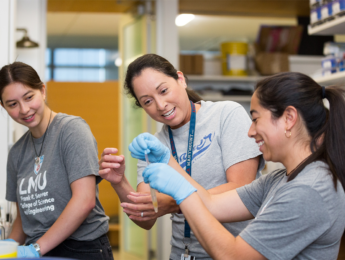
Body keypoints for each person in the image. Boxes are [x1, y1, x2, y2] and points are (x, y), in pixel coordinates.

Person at [132, 72, 345, 260]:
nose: (250, 132)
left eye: (255, 119)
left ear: (289, 118)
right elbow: (211, 204)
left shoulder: (308, 189)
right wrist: (168, 159)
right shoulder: (279, 179)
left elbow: (233, 256)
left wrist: (180, 191)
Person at [98, 53, 264, 259]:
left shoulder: (225, 114)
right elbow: (146, 218)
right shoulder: (153, 145)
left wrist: (173, 202)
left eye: (164, 90)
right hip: (181, 253)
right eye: (148, 101)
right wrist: (119, 181)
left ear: (181, 79)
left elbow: (242, 190)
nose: (160, 105)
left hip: (234, 251)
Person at [0, 62, 113, 260]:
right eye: (12, 104)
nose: (24, 109)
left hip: (81, 248)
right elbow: (24, 217)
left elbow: (84, 201)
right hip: (39, 249)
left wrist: (34, 250)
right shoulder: (17, 152)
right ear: (4, 107)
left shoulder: (71, 130)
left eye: (29, 97)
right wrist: (8, 247)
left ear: (42, 91)